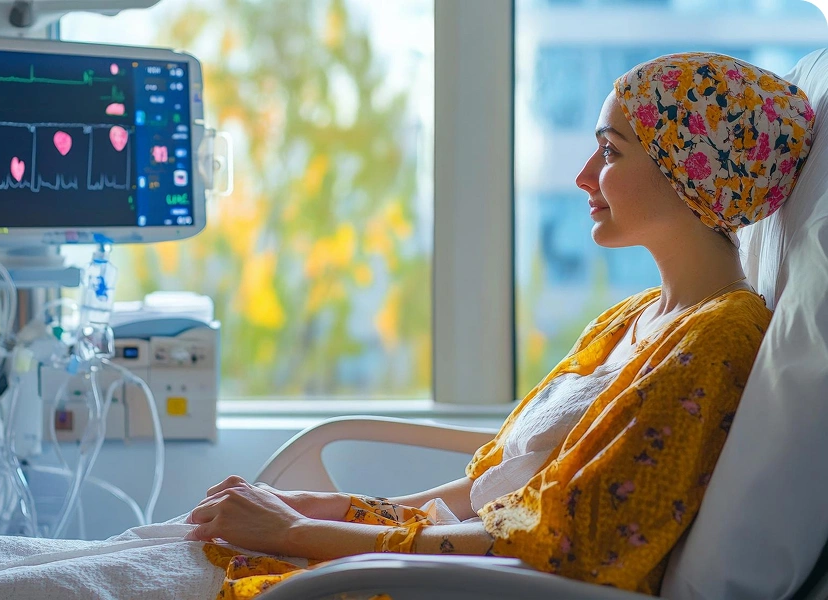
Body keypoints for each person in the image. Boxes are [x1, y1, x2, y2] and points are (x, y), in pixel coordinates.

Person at [184, 52, 816, 599]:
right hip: (434, 569)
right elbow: (491, 491)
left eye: (609, 151)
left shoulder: (720, 339)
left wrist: (300, 537)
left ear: (691, 172)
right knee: (130, 557)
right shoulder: (632, 319)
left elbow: (556, 545)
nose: (583, 176)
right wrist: (323, 509)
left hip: (468, 589)